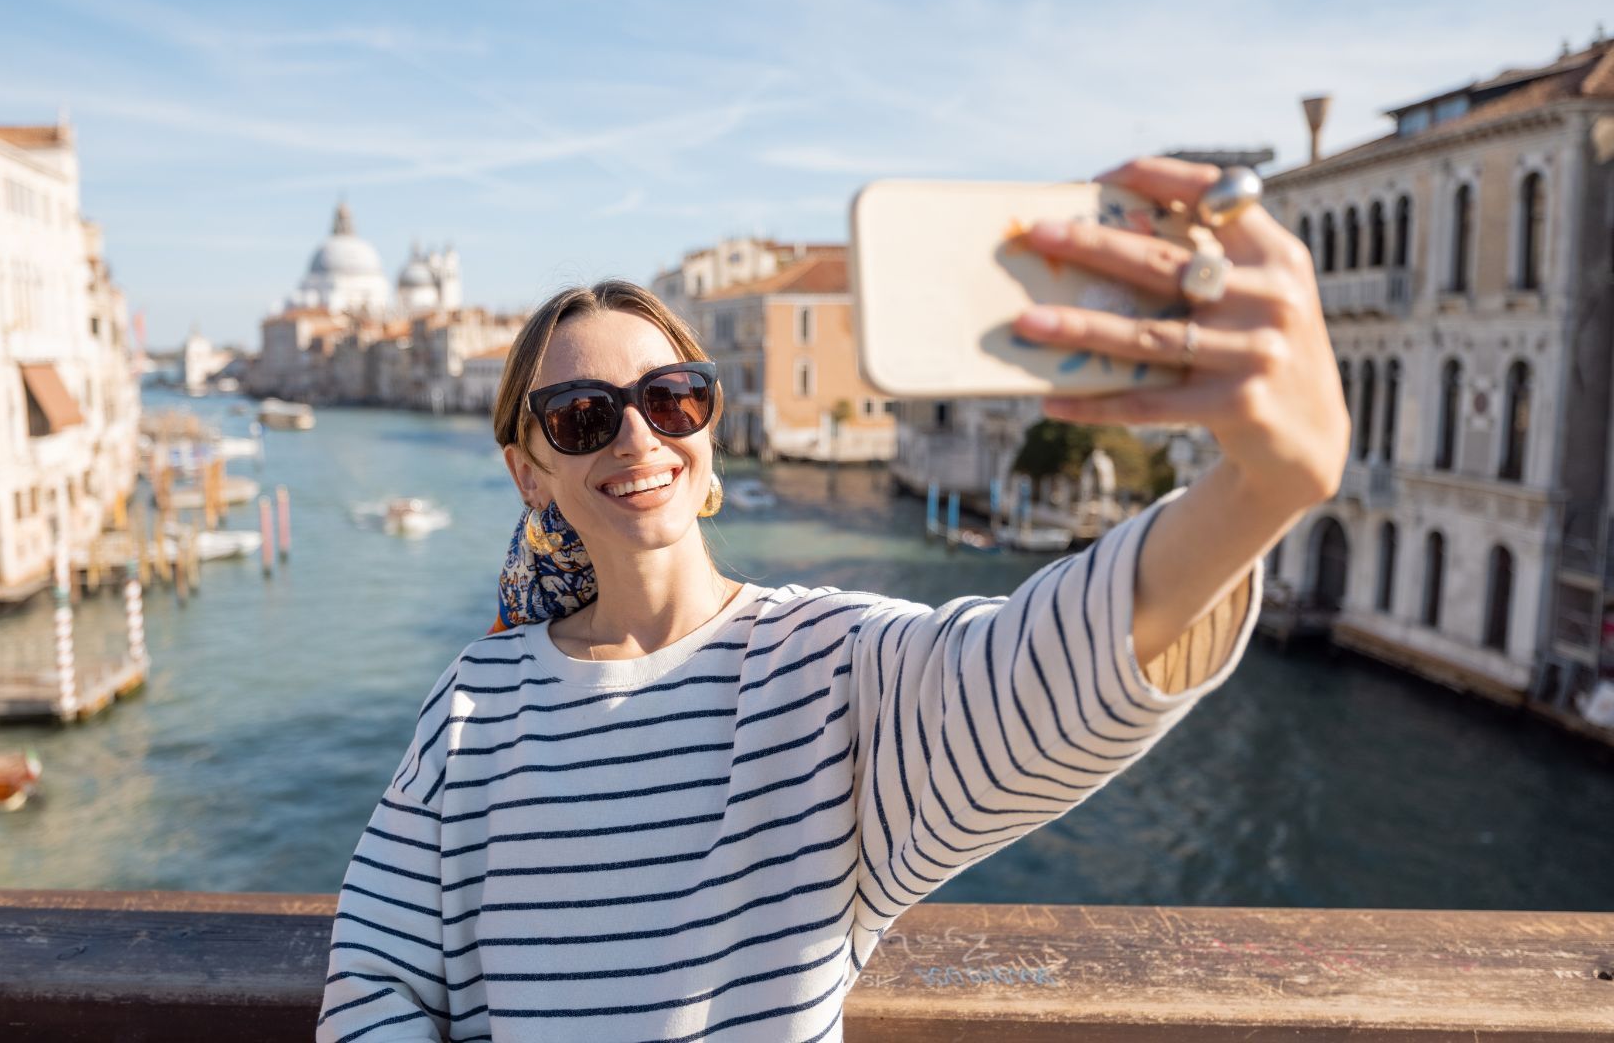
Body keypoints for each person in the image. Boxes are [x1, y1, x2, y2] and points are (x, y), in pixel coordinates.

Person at [317, 156, 1349, 1041]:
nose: (639, 438)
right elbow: (377, 984)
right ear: (529, 472)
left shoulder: (828, 669)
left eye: (672, 398)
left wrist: (1260, 491)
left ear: (708, 425)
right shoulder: (473, 704)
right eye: (583, 417)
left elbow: (1037, 679)